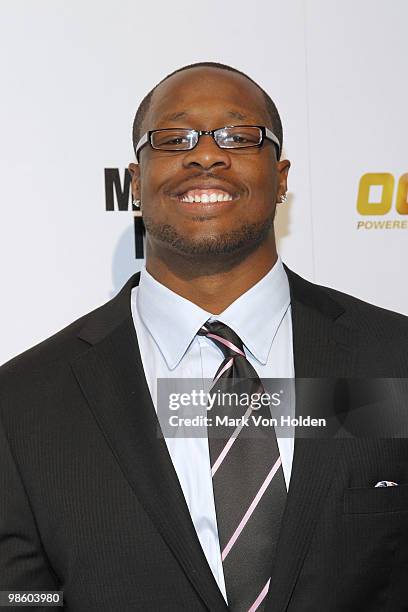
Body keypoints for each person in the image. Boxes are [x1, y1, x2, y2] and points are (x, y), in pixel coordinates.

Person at [1, 61, 408, 612]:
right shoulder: (25, 403)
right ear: (134, 181)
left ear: (281, 177)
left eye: (239, 137)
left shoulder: (391, 359)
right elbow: (22, 599)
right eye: (173, 139)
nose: (206, 155)